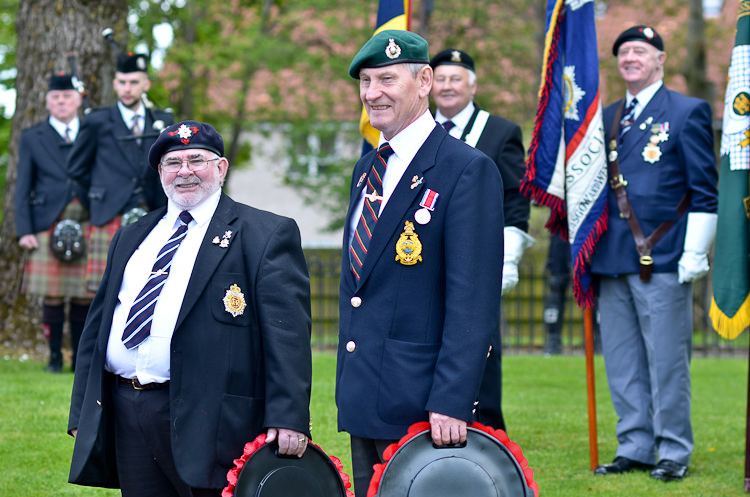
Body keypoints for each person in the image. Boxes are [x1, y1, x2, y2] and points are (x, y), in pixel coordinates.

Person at [67, 120, 313, 497]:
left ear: (221, 167)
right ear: (160, 173)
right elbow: (98, 328)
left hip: (214, 419)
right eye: (172, 162)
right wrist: (83, 409)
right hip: (128, 411)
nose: (184, 171)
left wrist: (289, 417)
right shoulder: (132, 236)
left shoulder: (264, 233)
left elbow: (288, 337)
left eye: (196, 159)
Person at [337, 30, 504, 496]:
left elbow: (472, 300)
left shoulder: (466, 169)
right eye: (366, 81)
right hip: (365, 393)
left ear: (425, 80)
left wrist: (452, 400)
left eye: (387, 78)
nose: (373, 93)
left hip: (423, 405)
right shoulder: (368, 167)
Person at [591, 26, 718, 481]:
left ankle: (672, 450)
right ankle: (636, 445)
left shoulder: (687, 112)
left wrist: (695, 252)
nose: (630, 58)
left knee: (667, 363)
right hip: (610, 258)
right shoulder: (603, 118)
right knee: (623, 364)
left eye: (640, 51)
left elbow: (705, 191)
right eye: (623, 52)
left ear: (660, 59)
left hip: (662, 258)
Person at [430, 48, 534, 430]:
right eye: (440, 78)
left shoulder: (500, 132)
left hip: (478, 260)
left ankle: (488, 430)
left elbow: (515, 199)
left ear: (473, 86)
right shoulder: (418, 129)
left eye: (455, 79)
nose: (447, 86)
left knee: (479, 345)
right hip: (422, 256)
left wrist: (508, 257)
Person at [67, 51, 174, 294]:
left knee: (147, 288)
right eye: (123, 82)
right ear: (115, 84)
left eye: (134, 82)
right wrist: (98, 194)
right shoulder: (98, 120)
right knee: (102, 291)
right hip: (108, 213)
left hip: (152, 213)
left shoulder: (162, 120)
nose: (128, 88)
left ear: (145, 84)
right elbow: (76, 168)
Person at [14, 73, 91, 373]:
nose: (61, 102)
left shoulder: (92, 132)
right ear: (47, 102)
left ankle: (78, 359)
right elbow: (23, 187)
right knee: (54, 293)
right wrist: (25, 230)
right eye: (56, 98)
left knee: (86, 293)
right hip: (48, 220)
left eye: (67, 97)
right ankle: (55, 357)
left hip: (88, 218)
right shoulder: (33, 137)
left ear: (78, 100)